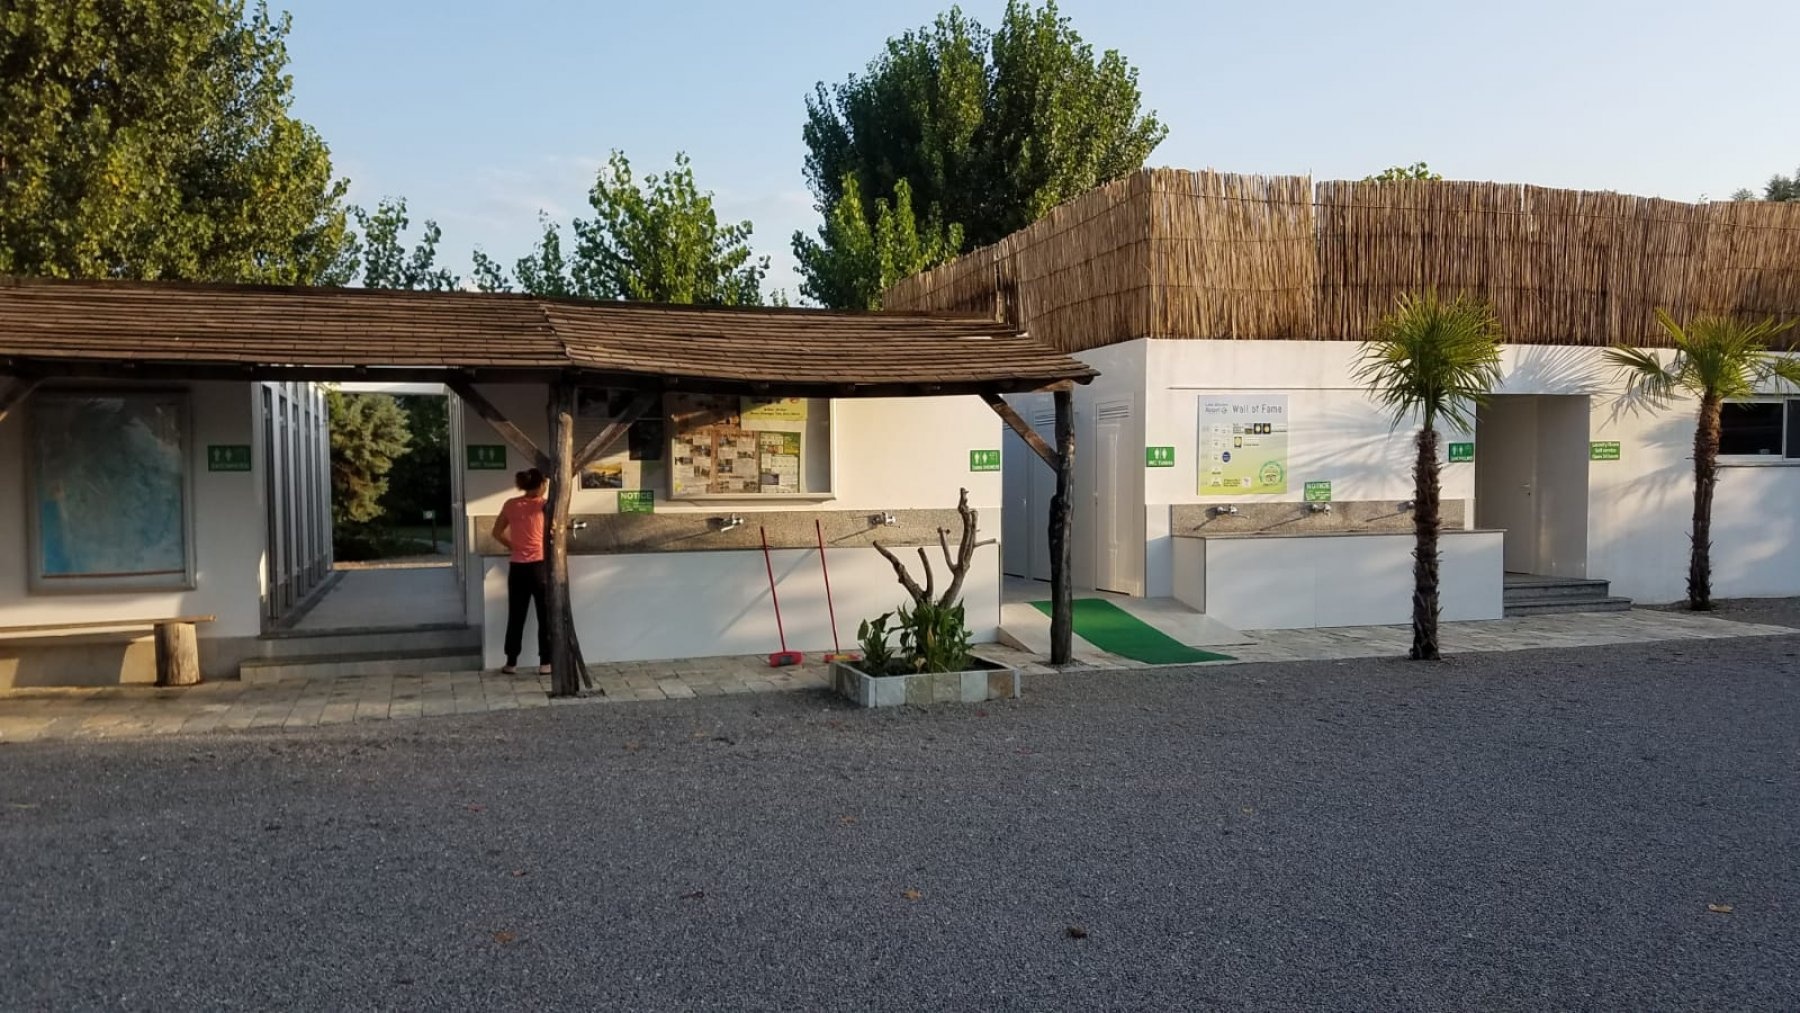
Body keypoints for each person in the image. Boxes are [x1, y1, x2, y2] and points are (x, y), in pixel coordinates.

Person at [491, 468, 551, 675]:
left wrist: (513, 546)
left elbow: (496, 532)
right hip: (540, 566)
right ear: (541, 484)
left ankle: (511, 662)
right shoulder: (545, 505)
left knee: (516, 616)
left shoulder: (510, 504)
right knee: (546, 616)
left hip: (517, 568)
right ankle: (546, 663)